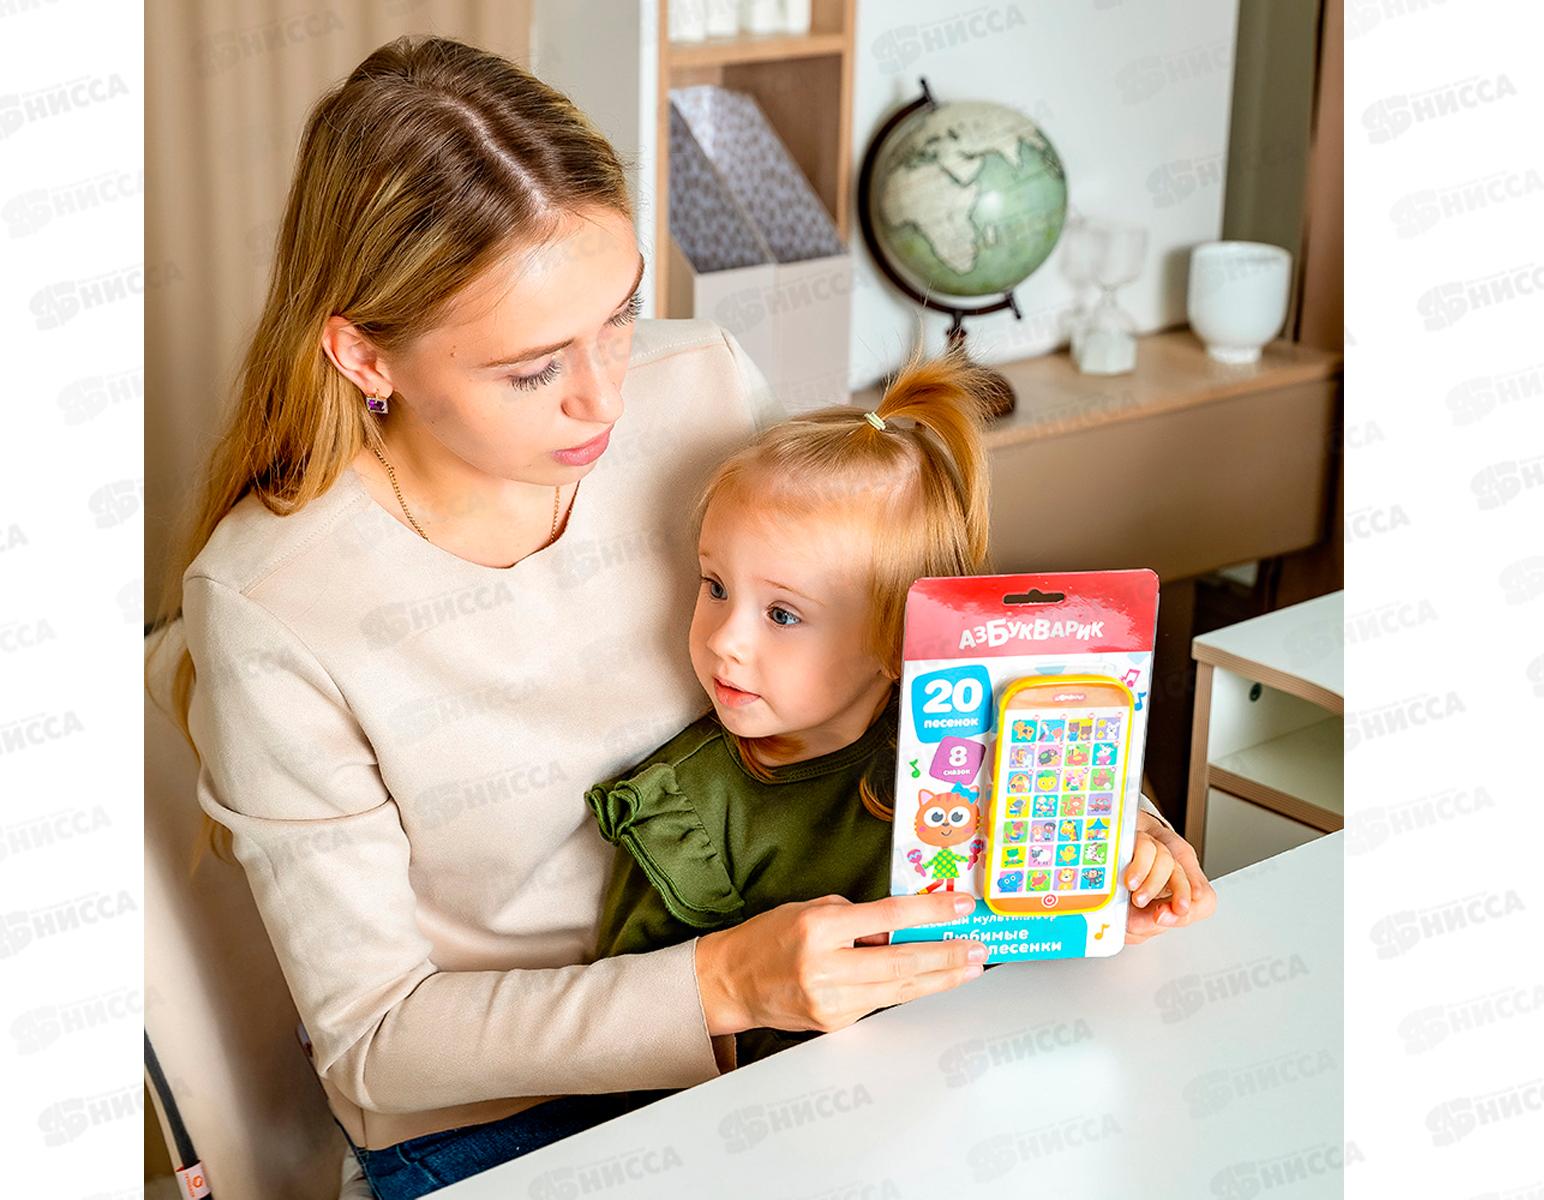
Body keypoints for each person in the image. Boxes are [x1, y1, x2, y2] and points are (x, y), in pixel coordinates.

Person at [152, 35, 1148, 1199]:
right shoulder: (273, 601)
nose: (605, 394)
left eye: (619, 315)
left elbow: (872, 652)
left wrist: (1086, 809)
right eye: (533, 369)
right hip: (503, 1125)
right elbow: (376, 1038)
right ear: (366, 355)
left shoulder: (701, 386)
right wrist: (723, 983)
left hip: (794, 1036)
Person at [587, 349, 1213, 1067]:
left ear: (897, 643)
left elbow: (1037, 922)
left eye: (783, 614)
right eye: (715, 585)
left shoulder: (975, 750)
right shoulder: (687, 812)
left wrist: (1122, 885)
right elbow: (634, 1037)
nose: (724, 639)